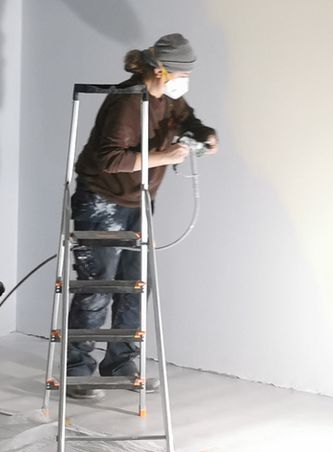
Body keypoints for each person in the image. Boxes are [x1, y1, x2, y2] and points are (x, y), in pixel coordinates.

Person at [63, 33, 218, 398]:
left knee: (135, 286)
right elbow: (110, 158)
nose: (185, 81)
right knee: (98, 287)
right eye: (181, 73)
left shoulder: (165, 99)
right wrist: (165, 158)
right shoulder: (127, 102)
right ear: (160, 70)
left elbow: (187, 119)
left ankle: (120, 365)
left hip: (139, 202)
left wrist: (205, 135)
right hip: (101, 201)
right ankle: (77, 372)